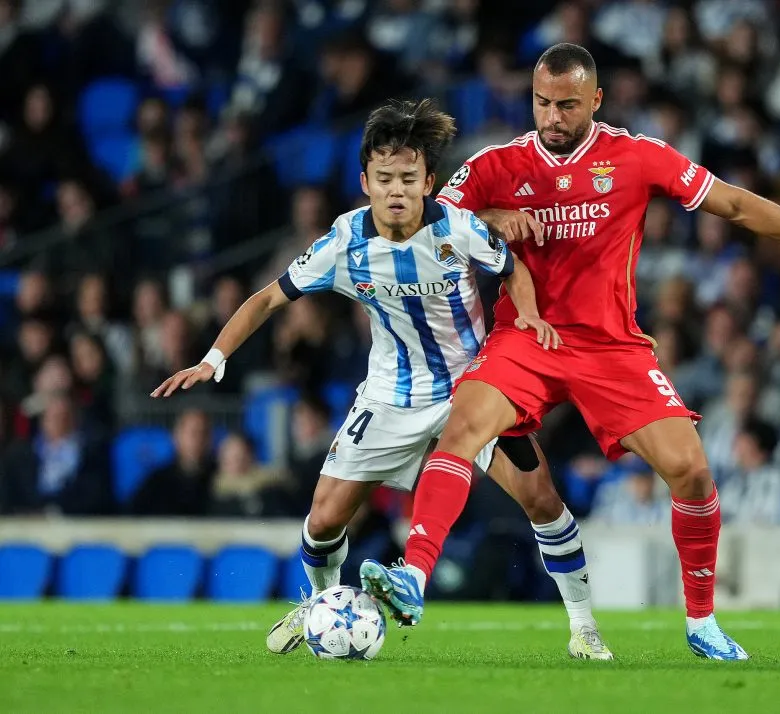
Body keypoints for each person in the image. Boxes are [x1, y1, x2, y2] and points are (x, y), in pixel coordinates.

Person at [361, 44, 780, 661]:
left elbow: (734, 203)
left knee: (692, 471)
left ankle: (701, 622)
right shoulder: (496, 165)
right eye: (542, 103)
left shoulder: (636, 157)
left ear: (596, 101)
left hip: (612, 347)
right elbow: (418, 229)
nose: (553, 117)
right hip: (526, 336)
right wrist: (489, 215)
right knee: (463, 427)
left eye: (567, 105)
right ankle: (414, 575)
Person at [150, 99, 613, 661]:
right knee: (322, 522)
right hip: (390, 398)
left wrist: (532, 315)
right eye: (386, 178)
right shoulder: (345, 242)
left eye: (409, 178)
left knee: (543, 501)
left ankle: (585, 630)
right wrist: (213, 358)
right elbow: (269, 297)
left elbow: (511, 269)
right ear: (366, 181)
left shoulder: (458, 229)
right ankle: (320, 605)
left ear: (429, 183)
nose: (397, 190)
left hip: (473, 391)